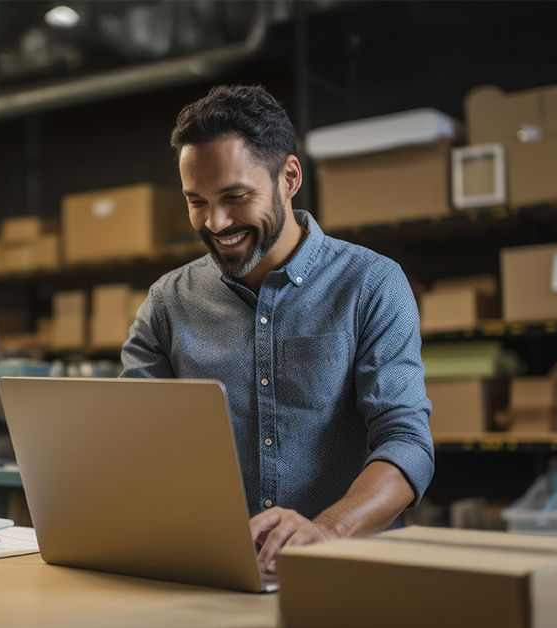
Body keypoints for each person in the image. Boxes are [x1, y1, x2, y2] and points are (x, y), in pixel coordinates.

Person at [119, 84, 434, 575]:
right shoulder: (168, 301)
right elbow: (129, 439)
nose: (215, 222)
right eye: (196, 201)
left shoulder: (372, 284)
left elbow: (406, 442)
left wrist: (327, 531)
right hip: (215, 572)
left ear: (289, 177)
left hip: (347, 569)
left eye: (235, 196)